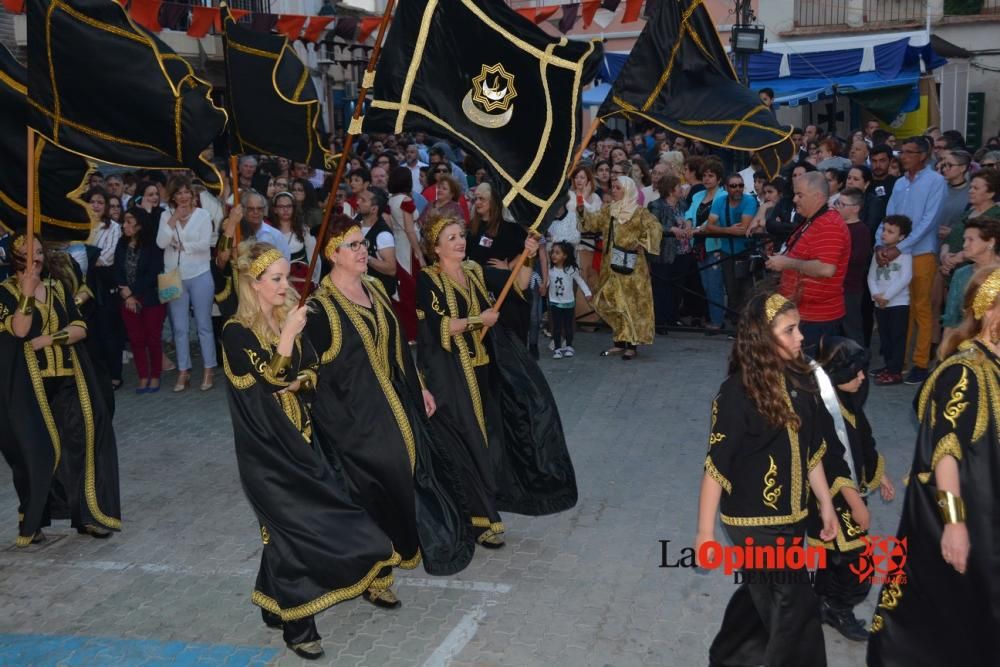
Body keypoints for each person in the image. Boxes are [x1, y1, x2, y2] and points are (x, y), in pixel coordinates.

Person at [220, 242, 400, 660]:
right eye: (278, 279)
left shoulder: (289, 320)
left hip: (302, 441)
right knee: (289, 532)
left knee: (286, 528)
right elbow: (270, 380)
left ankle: (273, 599)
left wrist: (298, 373)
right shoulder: (236, 332)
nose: (288, 285)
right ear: (254, 284)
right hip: (266, 452)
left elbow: (313, 372)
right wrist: (287, 341)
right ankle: (299, 626)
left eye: (288, 276)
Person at [306, 218, 476, 605]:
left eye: (363, 242)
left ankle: (396, 553)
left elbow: (398, 347)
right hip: (354, 420)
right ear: (333, 254)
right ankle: (376, 573)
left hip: (394, 404)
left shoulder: (376, 290)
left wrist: (420, 386)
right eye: (352, 245)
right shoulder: (319, 309)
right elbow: (311, 374)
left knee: (408, 475)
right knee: (372, 489)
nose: (363, 250)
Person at [866, 265, 1000, 667]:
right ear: (990, 310)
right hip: (967, 513)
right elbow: (945, 452)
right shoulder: (965, 372)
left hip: (991, 510)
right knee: (944, 610)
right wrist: (955, 524)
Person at [415, 216, 577, 548]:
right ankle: (482, 517)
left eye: (461, 235)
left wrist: (527, 253)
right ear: (435, 247)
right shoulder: (427, 279)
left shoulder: (473, 270)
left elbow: (516, 284)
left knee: (492, 437)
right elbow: (438, 326)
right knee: (467, 440)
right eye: (451, 238)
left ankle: (489, 505)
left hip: (486, 367)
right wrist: (479, 319)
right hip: (450, 373)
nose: (460, 241)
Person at [696, 292, 838, 667]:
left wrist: (825, 503)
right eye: (789, 330)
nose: (800, 337)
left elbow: (813, 452)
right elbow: (716, 468)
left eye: (799, 328)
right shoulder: (736, 393)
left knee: (765, 599)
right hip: (752, 522)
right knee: (795, 609)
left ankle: (732, 657)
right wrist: (704, 534)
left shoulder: (801, 379)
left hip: (792, 518)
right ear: (763, 337)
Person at [0, 235, 122, 542]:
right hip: (30, 387)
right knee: (36, 452)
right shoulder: (5, 293)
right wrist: (26, 295)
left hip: (68, 379)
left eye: (39, 251)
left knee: (80, 444)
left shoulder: (57, 287)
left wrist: (52, 339)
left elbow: (80, 327)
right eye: (28, 253)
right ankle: (35, 520)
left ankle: (87, 515)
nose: (36, 258)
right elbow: (20, 329)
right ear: (14, 258)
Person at [810, 336, 895, 641]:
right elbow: (832, 460)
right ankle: (838, 607)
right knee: (856, 560)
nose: (862, 377)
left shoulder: (847, 399)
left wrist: (878, 472)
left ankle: (821, 602)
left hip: (847, 494)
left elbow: (862, 439)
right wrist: (856, 504)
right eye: (855, 372)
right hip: (832, 497)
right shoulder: (822, 409)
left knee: (834, 556)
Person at [874, 136, 946, 385]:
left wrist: (900, 246)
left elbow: (929, 221)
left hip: (921, 253)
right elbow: (888, 217)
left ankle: (920, 363)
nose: (902, 157)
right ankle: (897, 362)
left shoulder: (936, 181)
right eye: (902, 152)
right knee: (899, 309)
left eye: (908, 152)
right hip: (896, 253)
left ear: (923, 155)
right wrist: (879, 244)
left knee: (921, 308)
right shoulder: (900, 183)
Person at [579, 175, 663, 359]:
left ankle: (631, 345)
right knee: (610, 301)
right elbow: (591, 223)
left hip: (632, 267)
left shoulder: (639, 212)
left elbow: (655, 228)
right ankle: (619, 340)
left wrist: (642, 242)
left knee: (631, 304)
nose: (614, 190)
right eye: (613, 187)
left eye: (618, 188)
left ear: (627, 189)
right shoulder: (609, 210)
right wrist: (581, 205)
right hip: (610, 265)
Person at [766, 171, 851, 352]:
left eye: (800, 195)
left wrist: (787, 263)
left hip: (818, 319)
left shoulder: (828, 224)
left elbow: (827, 268)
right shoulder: (814, 220)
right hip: (805, 314)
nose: (795, 200)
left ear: (818, 196)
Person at [157, 176, 218, 392]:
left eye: (187, 193)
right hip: (174, 276)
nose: (183, 197)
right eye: (179, 193)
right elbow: (161, 242)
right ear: (173, 197)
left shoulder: (203, 215)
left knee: (203, 325)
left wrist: (183, 246)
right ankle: (184, 369)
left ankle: (209, 367)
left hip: (200, 274)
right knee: (180, 327)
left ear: (193, 195)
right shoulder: (166, 215)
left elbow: (205, 244)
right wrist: (173, 219)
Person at [693, 173, 758, 324]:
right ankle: (735, 324)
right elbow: (708, 226)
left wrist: (720, 229)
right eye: (733, 186)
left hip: (745, 252)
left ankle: (745, 325)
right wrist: (728, 230)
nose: (738, 189)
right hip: (726, 250)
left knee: (746, 289)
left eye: (740, 185)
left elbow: (742, 229)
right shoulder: (720, 201)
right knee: (731, 289)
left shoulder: (749, 201)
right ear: (726, 187)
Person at [114, 207, 166, 393]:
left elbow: (153, 273)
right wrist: (127, 295)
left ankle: (156, 375)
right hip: (127, 299)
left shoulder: (152, 246)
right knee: (136, 339)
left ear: (139, 225)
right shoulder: (121, 243)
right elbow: (117, 270)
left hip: (150, 298)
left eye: (129, 221)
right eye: (124, 221)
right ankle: (143, 375)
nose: (124, 225)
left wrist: (133, 290)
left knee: (153, 338)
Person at [86, 187, 125, 390]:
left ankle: (115, 375)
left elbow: (107, 257)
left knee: (109, 331)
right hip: (84, 284)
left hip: (104, 284)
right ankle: (96, 376)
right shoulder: (80, 228)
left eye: (100, 202)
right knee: (91, 333)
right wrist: (90, 255)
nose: (96, 205)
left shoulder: (114, 228)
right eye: (92, 201)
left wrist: (87, 255)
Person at [868, 215, 913, 385]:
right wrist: (876, 295)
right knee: (884, 337)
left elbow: (905, 278)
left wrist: (886, 297)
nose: (884, 234)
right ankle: (888, 366)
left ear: (901, 237)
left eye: (890, 232)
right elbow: (871, 276)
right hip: (880, 303)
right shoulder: (878, 254)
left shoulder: (905, 255)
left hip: (898, 303)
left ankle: (896, 371)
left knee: (897, 337)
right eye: (884, 230)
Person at [684, 158, 726, 328]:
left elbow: (715, 220)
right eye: (705, 175)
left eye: (711, 176)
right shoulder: (697, 195)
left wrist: (696, 229)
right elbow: (689, 213)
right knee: (705, 285)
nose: (707, 179)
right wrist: (688, 226)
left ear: (719, 179)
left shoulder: (723, 196)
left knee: (715, 285)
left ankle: (717, 322)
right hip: (698, 245)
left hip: (715, 245)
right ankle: (711, 318)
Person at [647, 174, 691, 331]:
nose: (681, 189)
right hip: (664, 252)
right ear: (671, 190)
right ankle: (660, 320)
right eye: (679, 186)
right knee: (661, 287)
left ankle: (673, 317)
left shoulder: (683, 204)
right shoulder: (656, 205)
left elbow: (689, 218)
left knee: (678, 286)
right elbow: (652, 226)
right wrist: (670, 229)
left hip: (683, 251)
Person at [941, 217, 1000, 333]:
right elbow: (951, 319)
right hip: (964, 343)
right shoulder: (961, 274)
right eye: (964, 240)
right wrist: (945, 348)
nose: (964, 245)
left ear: (991, 242)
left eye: (971, 240)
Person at [387, 167, 423, 342]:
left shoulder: (391, 200)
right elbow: (410, 230)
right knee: (411, 289)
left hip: (398, 244)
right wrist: (420, 254)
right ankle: (412, 333)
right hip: (408, 247)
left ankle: (406, 332)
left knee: (403, 290)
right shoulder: (405, 200)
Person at [837, 188, 873, 346]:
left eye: (843, 204)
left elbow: (857, 258)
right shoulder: (837, 226)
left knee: (852, 330)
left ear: (856, 208)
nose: (838, 207)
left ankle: (859, 367)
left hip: (850, 289)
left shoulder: (861, 231)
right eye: (838, 203)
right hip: (835, 287)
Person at [547, 241, 591, 359]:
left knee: (568, 326)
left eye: (557, 253)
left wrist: (587, 293)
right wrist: (542, 287)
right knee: (556, 327)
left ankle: (569, 346)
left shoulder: (571, 270)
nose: (553, 255)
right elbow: (547, 282)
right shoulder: (550, 270)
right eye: (552, 252)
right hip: (555, 302)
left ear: (565, 256)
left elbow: (580, 281)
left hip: (568, 303)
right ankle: (557, 348)